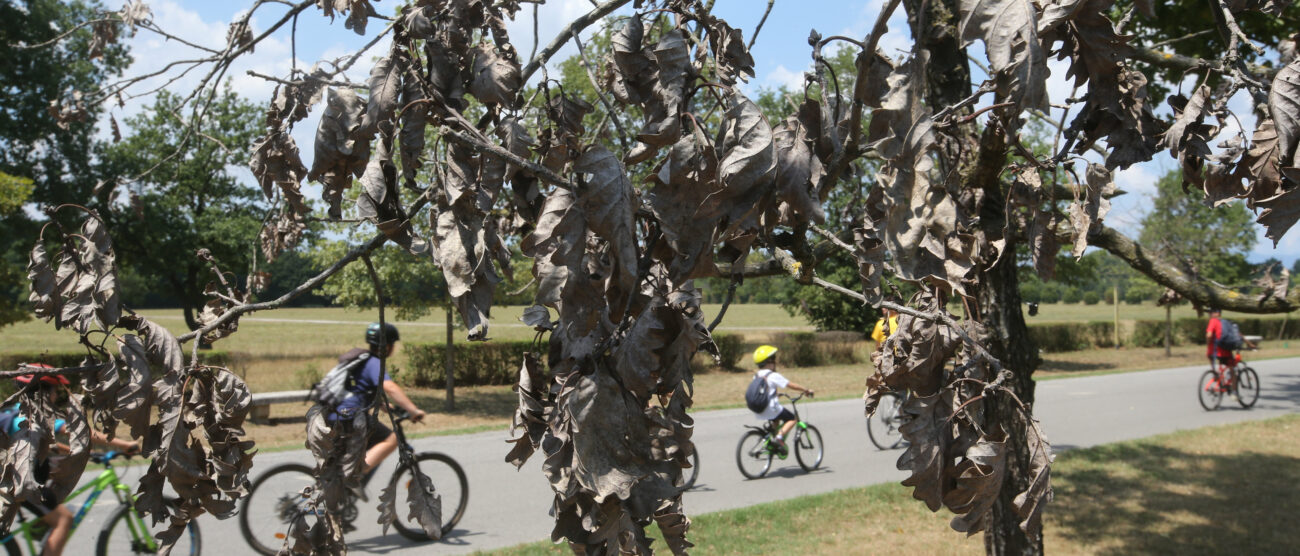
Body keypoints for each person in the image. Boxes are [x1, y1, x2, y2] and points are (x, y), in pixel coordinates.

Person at [5, 368, 140, 556]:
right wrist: (124, 444)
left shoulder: (12, 412)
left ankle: (42, 529)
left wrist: (82, 453)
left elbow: (45, 445)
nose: (55, 396)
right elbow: (77, 431)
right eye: (54, 391)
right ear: (44, 393)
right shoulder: (38, 413)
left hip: (11, 479)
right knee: (63, 519)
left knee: (52, 500)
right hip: (20, 484)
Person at [329, 322, 427, 473]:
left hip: (333, 414)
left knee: (341, 465)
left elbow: (363, 391)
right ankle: (353, 474)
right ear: (387, 346)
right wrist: (413, 410)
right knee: (392, 439)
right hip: (350, 417)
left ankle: (338, 487)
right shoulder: (374, 362)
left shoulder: (361, 360)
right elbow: (390, 388)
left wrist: (390, 409)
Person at [748, 345, 814, 455]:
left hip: (758, 408)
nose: (775, 362)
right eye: (773, 360)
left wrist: (775, 395)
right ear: (769, 362)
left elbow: (763, 390)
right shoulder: (773, 375)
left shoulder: (757, 375)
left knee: (777, 419)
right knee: (792, 419)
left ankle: (771, 443)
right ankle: (778, 439)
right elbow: (790, 385)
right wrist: (806, 390)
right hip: (770, 408)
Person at [1204, 308, 1236, 372]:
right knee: (1231, 369)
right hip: (1226, 351)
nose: (1209, 314)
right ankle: (1233, 381)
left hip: (1214, 352)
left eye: (1211, 312)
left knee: (1210, 355)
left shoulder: (1213, 320)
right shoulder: (1226, 322)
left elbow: (1209, 335)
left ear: (1217, 313)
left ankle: (1214, 373)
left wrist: (1208, 344)